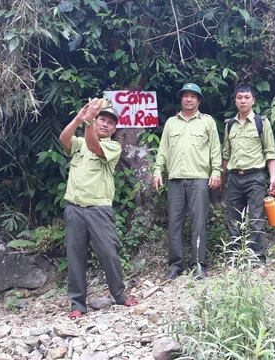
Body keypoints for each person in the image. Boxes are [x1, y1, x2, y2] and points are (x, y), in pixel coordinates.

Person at [59, 98, 137, 320]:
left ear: (114, 129)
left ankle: (119, 294)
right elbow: (64, 138)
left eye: (110, 123)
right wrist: (79, 118)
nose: (104, 124)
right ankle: (77, 304)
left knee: (108, 253)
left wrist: (89, 122)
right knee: (75, 257)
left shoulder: (113, 146)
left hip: (99, 209)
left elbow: (94, 146)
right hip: (74, 208)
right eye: (102, 119)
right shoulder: (79, 143)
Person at [153, 83, 222, 280]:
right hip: (175, 180)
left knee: (198, 224)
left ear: (199, 100)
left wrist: (216, 172)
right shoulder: (171, 123)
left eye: (193, 96)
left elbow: (215, 149)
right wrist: (158, 171)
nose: (189, 99)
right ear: (181, 99)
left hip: (199, 179)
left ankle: (198, 264)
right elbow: (163, 150)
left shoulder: (207, 122)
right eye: (186, 96)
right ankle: (175, 266)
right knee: (174, 224)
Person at [221, 84, 275, 269]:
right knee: (233, 220)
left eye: (246, 97)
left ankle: (257, 261)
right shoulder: (229, 124)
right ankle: (233, 260)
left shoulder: (262, 122)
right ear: (235, 100)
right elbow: (226, 154)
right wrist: (222, 178)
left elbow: (270, 151)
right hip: (234, 178)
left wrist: (272, 178)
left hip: (255, 178)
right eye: (239, 97)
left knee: (256, 220)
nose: (243, 101)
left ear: (253, 100)